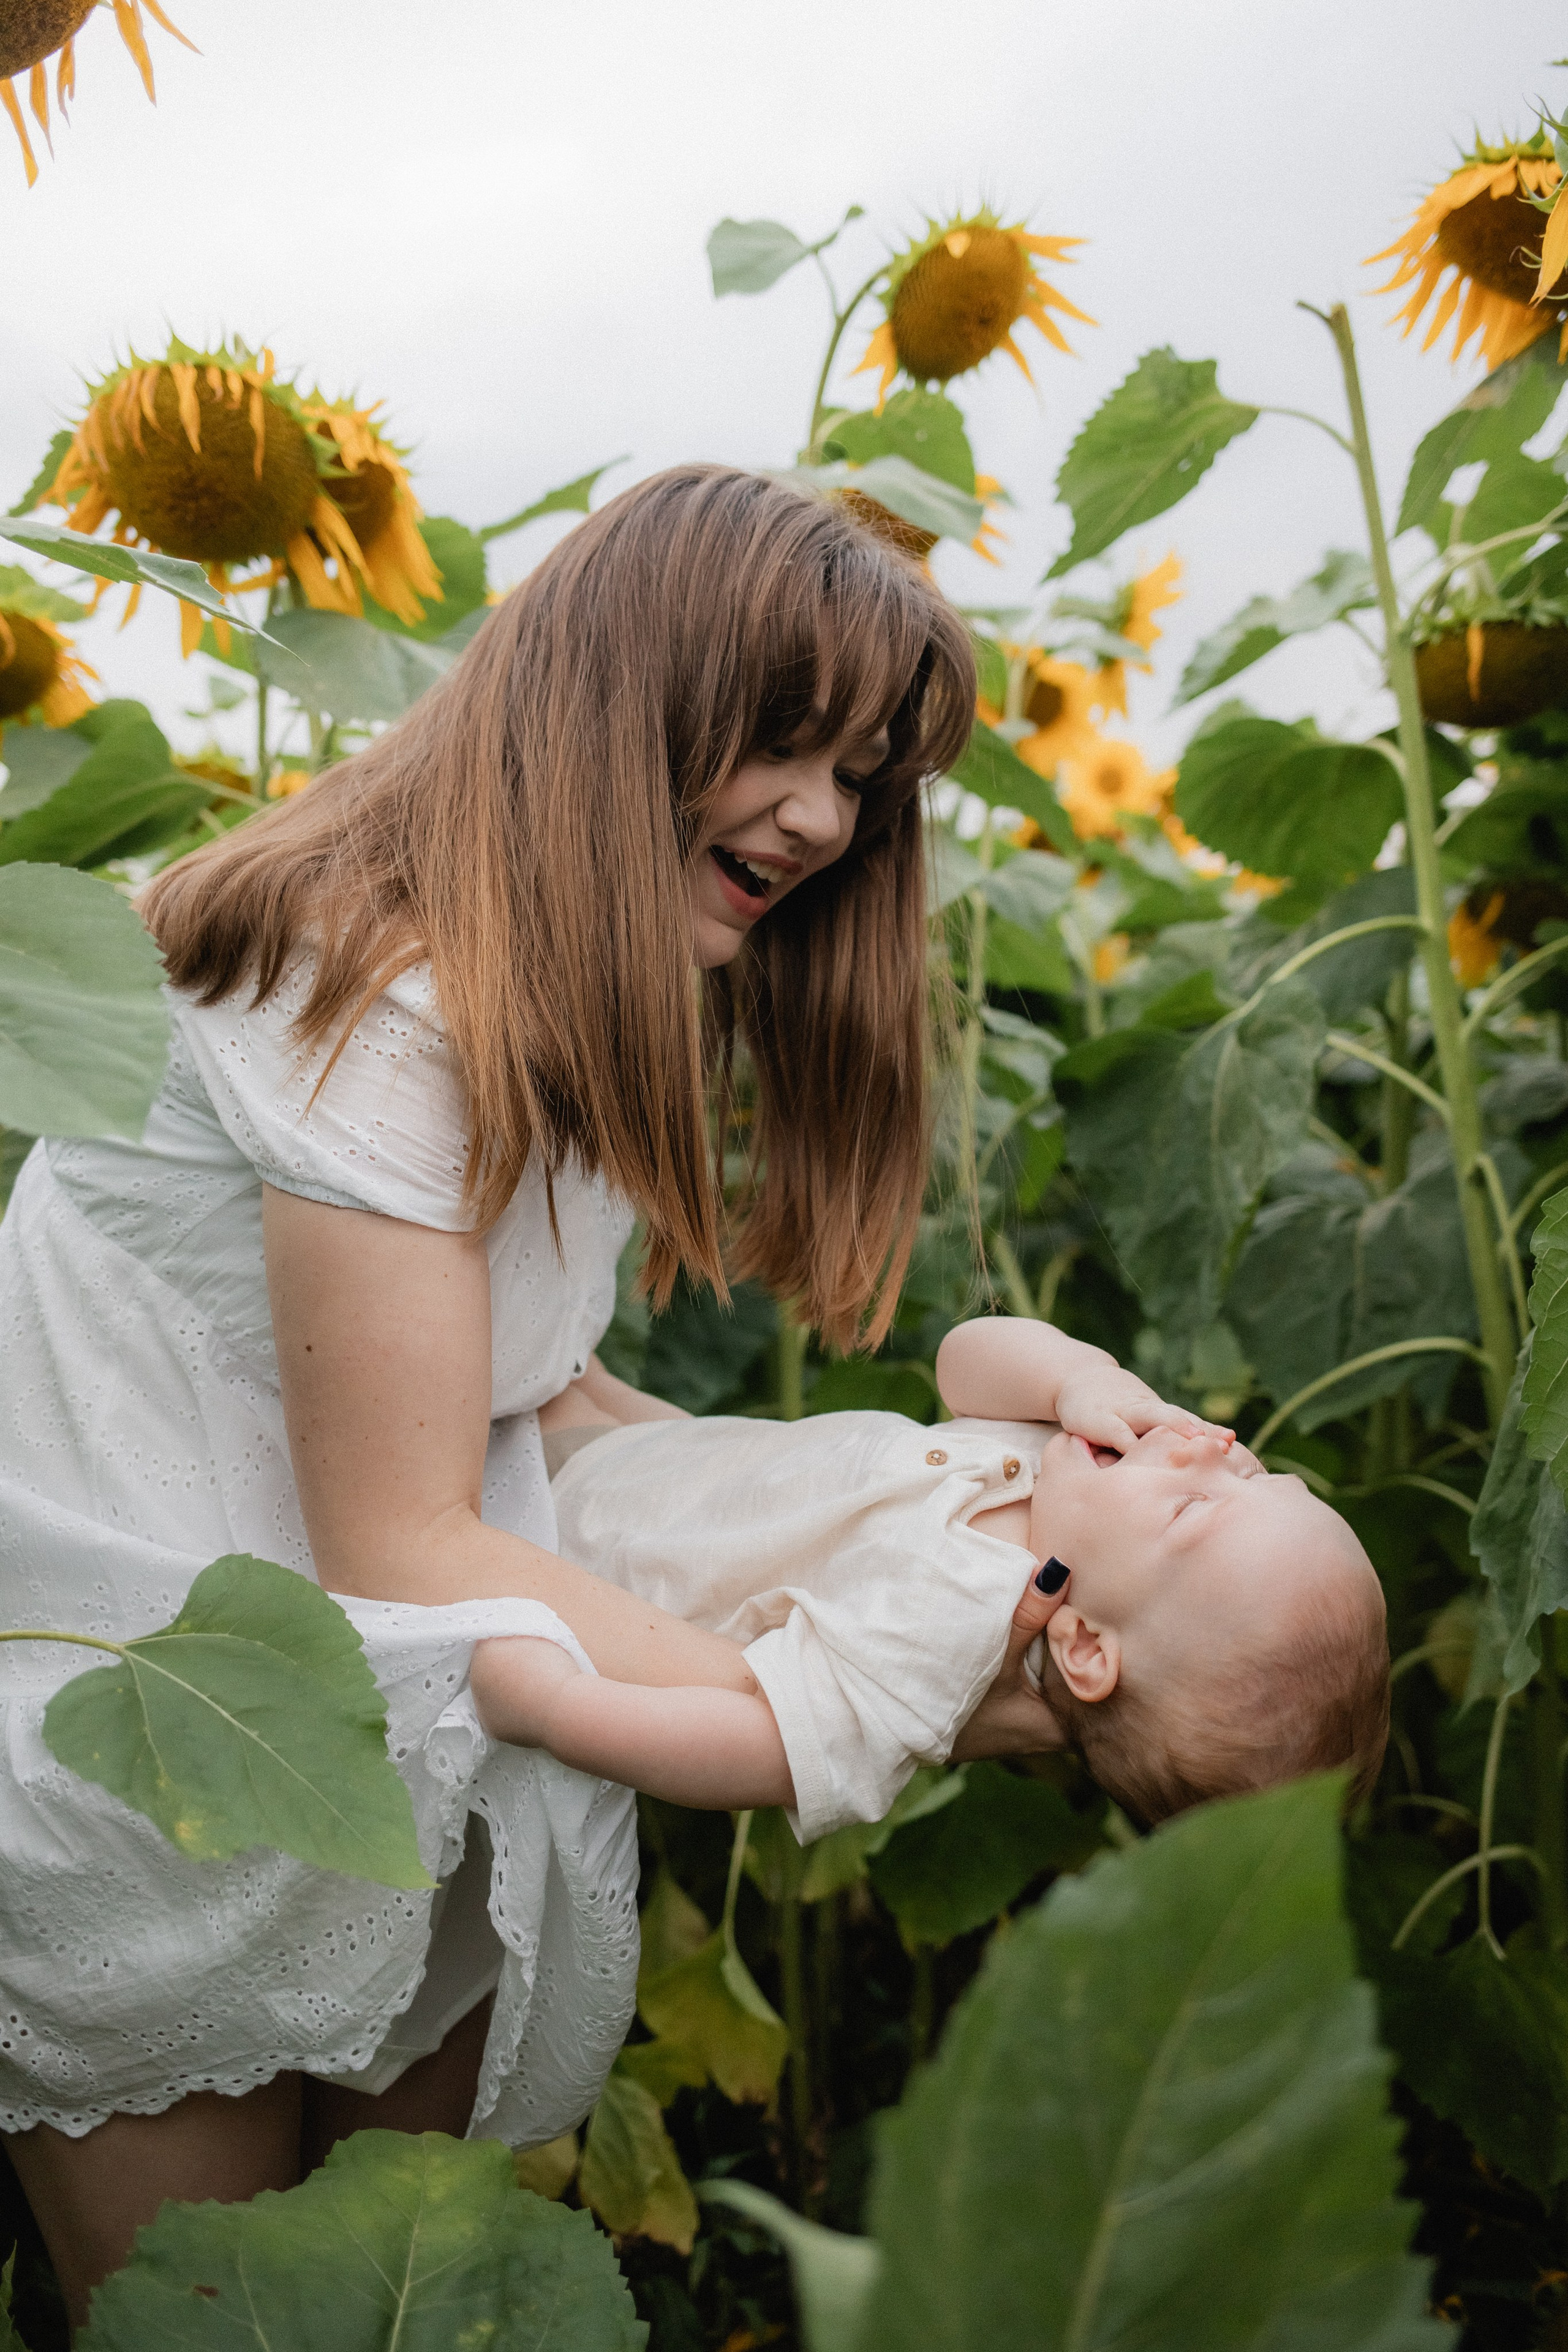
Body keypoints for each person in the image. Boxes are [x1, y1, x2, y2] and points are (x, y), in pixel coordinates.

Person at [0, 465, 999, 2326]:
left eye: (860, 772)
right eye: (786, 743)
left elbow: (533, 1401)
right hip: (159, 1766)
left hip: (364, 1729)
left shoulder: (565, 981)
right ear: (623, 698)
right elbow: (408, 1533)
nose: (818, 819)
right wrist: (845, 1698)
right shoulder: (376, 992)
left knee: (394, 2310)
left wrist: (910, 1528)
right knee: (238, 2329)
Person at [472, 1316, 1390, 1832]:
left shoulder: (951, 1643)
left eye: (1197, 1508)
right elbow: (964, 1362)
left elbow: (771, 1744)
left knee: (472, 1349)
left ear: (1082, 1647)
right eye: (1257, 1471)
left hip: (589, 1535)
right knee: (538, 1318)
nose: (1216, 1447)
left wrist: (560, 1713)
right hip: (677, 1461)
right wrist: (1079, 1374)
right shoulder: (1073, 1480)